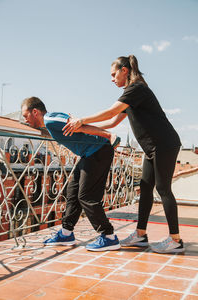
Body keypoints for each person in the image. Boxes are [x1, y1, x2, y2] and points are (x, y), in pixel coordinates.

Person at [63, 55, 185, 254]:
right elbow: (111, 123)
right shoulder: (131, 95)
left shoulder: (136, 89)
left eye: (114, 74)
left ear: (124, 71)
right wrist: (82, 128)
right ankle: (141, 235)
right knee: (145, 189)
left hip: (164, 145)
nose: (112, 79)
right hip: (151, 148)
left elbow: (110, 113)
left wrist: (81, 120)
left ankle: (176, 240)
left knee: (163, 189)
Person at [21, 96, 121, 251]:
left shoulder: (50, 121)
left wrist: (108, 135)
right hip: (88, 154)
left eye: (25, 116)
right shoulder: (51, 120)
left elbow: (80, 125)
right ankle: (66, 233)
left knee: (86, 196)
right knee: (72, 191)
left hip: (98, 150)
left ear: (35, 112)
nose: (26, 120)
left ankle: (109, 236)